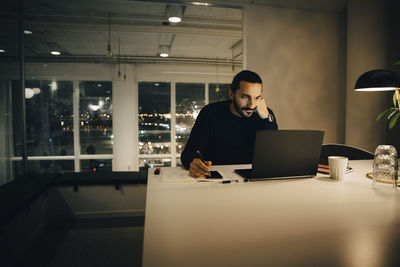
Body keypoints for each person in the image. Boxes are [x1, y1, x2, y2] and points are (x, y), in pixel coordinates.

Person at [181, 70, 278, 178]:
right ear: (232, 94)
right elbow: (187, 154)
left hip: (251, 181)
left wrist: (266, 117)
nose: (251, 104)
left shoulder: (264, 114)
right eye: (245, 97)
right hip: (215, 181)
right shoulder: (210, 113)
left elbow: (273, 155)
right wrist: (193, 163)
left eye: (257, 98)